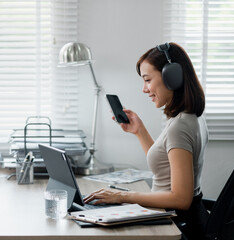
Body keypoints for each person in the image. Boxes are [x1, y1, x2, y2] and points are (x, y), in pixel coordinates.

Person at [84, 42, 209, 238]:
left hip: (174, 224)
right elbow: (166, 167)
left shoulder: (180, 126)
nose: (144, 89)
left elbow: (181, 198)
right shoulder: (188, 117)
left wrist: (122, 196)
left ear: (172, 78)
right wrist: (139, 131)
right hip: (175, 217)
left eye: (148, 80)